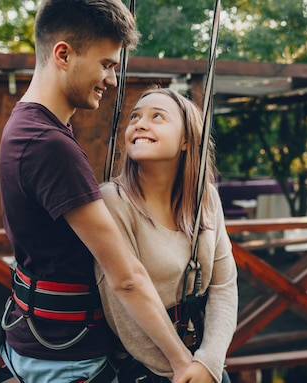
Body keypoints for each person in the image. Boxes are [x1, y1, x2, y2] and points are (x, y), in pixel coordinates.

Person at [0, 1, 194, 382]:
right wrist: (183, 363)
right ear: (63, 54)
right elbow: (126, 277)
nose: (113, 80)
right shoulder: (48, 143)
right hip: (69, 361)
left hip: (40, 346)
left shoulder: (26, 125)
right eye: (107, 64)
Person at [95, 86, 238, 383]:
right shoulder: (113, 201)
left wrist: (209, 362)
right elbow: (122, 304)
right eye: (135, 117)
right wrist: (180, 370)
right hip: (146, 371)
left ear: (187, 140)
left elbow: (224, 285)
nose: (140, 124)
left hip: (202, 364)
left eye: (156, 116)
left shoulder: (206, 198)